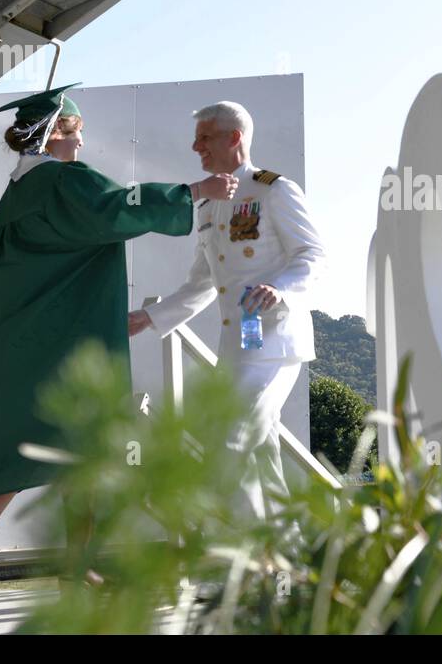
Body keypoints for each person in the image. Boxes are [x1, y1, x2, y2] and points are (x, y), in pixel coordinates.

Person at [0, 83, 237, 614]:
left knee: (53, 451)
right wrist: (196, 191)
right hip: (64, 351)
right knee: (83, 442)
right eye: (77, 136)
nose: (81, 147)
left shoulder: (11, 202)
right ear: (58, 136)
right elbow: (118, 207)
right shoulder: (63, 184)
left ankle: (14, 556)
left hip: (18, 350)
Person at [129, 101, 325, 522]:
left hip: (274, 341)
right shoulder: (210, 204)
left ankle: (245, 565)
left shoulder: (273, 189)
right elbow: (203, 283)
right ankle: (284, 564)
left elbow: (313, 254)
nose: (195, 146)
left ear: (234, 137)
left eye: (205, 137)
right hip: (235, 347)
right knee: (260, 450)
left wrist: (282, 289)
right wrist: (151, 317)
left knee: (229, 440)